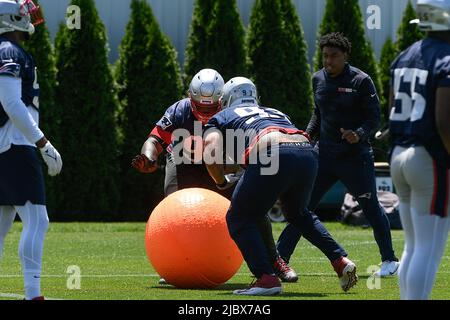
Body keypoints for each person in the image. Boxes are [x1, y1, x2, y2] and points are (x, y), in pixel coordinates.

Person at [132, 69, 298, 284]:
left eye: (211, 108)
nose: (205, 113)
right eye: (200, 107)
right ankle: (174, 263)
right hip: (185, 162)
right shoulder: (179, 111)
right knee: (174, 211)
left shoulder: (234, 113)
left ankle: (274, 260)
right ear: (190, 97)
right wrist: (149, 157)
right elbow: (155, 139)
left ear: (223, 100)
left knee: (252, 204)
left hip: (221, 164)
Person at [203, 77, 358, 296]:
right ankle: (340, 261)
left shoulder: (222, 116)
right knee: (298, 214)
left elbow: (210, 152)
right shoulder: (275, 112)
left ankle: (266, 278)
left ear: (227, 99)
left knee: (239, 217)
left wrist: (220, 181)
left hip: (273, 153)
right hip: (306, 152)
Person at [276, 32, 400, 277]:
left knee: (371, 208)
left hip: (356, 158)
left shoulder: (361, 81)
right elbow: (318, 114)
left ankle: (389, 260)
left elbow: (374, 118)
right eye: (325, 56)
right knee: (299, 209)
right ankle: (278, 259)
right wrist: (306, 136)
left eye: (334, 56)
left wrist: (359, 134)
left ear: (346, 56)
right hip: (323, 157)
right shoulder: (317, 79)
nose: (328, 61)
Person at [0, 0, 62, 300]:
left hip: (5, 145)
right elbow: (11, 103)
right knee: (37, 220)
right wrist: (43, 142)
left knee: (1, 223)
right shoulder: (9, 51)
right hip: (16, 145)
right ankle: (33, 294)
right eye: (24, 11)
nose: (30, 15)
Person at [389, 0, 450, 300]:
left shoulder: (404, 56)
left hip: (400, 152)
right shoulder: (446, 58)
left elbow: (392, 109)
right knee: (429, 246)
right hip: (428, 157)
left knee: (413, 245)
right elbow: (443, 120)